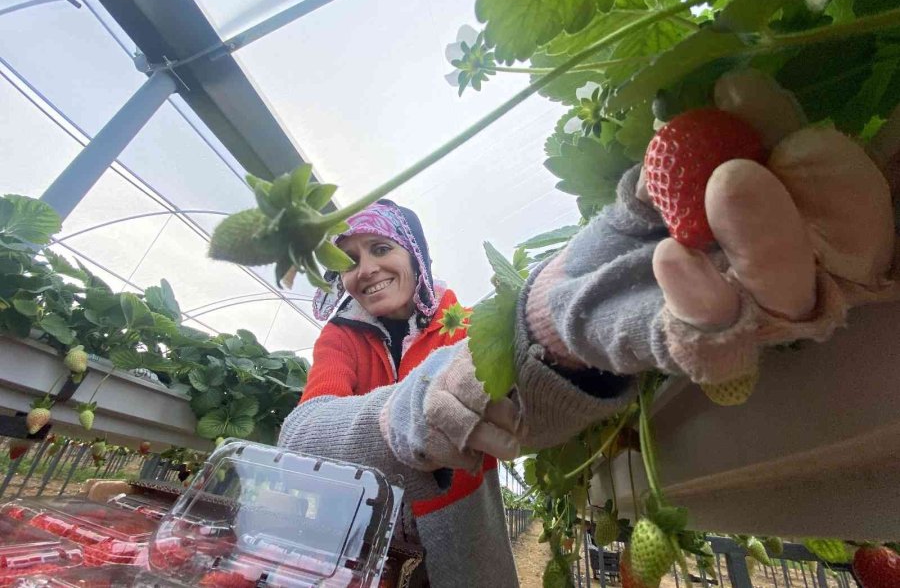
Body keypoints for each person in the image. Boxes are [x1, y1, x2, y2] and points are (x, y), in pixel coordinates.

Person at [278, 73, 898, 587]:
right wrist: (406, 414)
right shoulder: (342, 339)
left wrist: (557, 337)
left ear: (414, 255)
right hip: (354, 545)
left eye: (379, 249)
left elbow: (517, 411)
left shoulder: (462, 324)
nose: (364, 271)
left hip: (461, 538)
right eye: (348, 261)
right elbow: (301, 435)